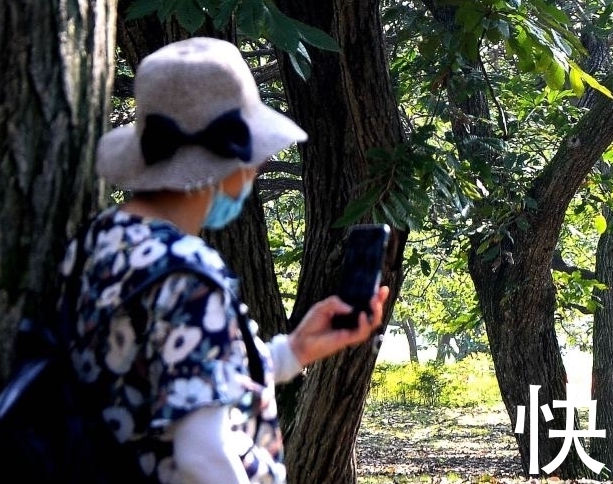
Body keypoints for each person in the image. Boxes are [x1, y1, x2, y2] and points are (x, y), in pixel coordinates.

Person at [72, 37, 387, 484]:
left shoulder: (99, 242)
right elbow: (203, 456)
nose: (257, 170)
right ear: (229, 160)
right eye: (254, 155)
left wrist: (291, 351)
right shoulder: (188, 273)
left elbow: (166, 369)